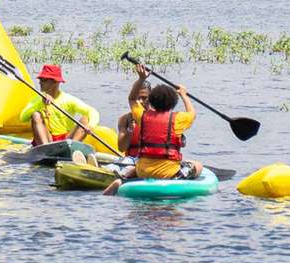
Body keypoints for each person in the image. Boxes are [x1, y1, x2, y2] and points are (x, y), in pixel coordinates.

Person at [103, 65, 203, 195]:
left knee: (136, 167)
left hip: (143, 171)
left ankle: (123, 180)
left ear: (151, 100)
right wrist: (184, 94)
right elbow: (192, 113)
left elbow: (131, 99)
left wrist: (141, 78)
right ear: (173, 103)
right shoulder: (178, 119)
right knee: (197, 166)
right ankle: (178, 179)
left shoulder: (142, 117)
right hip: (168, 175)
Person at [18, 64, 99, 146]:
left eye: (43, 80)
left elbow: (92, 111)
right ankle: (46, 149)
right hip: (47, 139)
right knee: (36, 115)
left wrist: (91, 126)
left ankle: (72, 148)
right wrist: (41, 103)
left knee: (85, 119)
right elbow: (23, 117)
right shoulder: (38, 99)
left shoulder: (68, 99)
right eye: (40, 79)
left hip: (66, 139)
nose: (40, 82)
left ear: (55, 82)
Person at [117, 63, 153, 155]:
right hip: (131, 161)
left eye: (144, 98)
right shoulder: (125, 119)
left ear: (151, 97)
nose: (140, 101)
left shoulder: (158, 117)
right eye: (137, 98)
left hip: (150, 162)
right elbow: (121, 148)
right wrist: (130, 130)